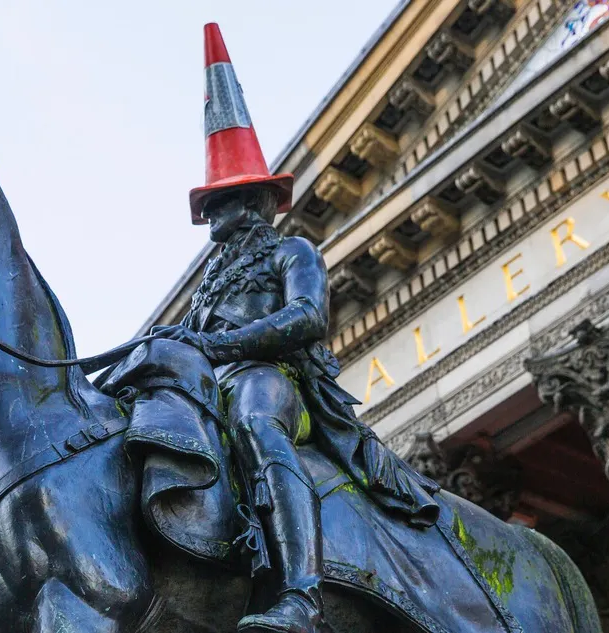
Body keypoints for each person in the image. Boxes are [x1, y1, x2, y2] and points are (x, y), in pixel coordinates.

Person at [152, 24, 440, 633]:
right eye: (211, 205)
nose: (212, 218)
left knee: (257, 423)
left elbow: (308, 318)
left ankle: (302, 598)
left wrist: (220, 345)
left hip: (277, 382)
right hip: (213, 387)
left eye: (222, 202)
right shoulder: (208, 282)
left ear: (255, 201)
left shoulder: (293, 252)